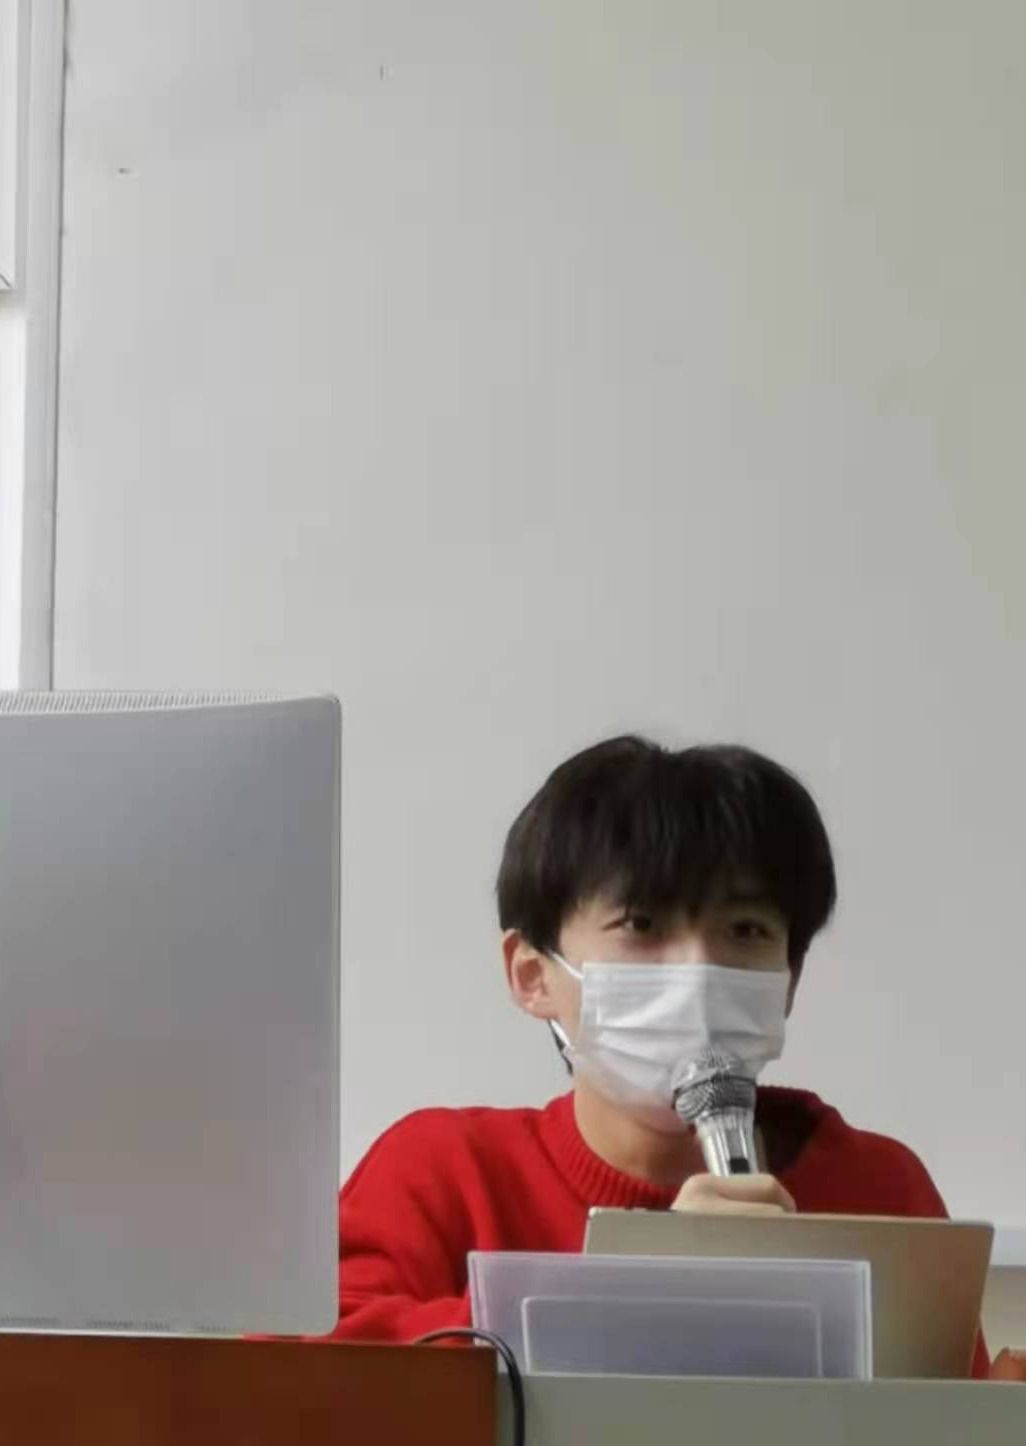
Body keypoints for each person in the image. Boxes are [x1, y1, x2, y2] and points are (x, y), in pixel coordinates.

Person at [331, 735, 1020, 1380]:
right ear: (532, 973)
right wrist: (641, 1302)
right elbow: (313, 1367)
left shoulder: (879, 1194)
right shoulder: (444, 1173)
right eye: (642, 924)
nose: (698, 970)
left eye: (745, 929)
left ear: (789, 980)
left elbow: (959, 1423)